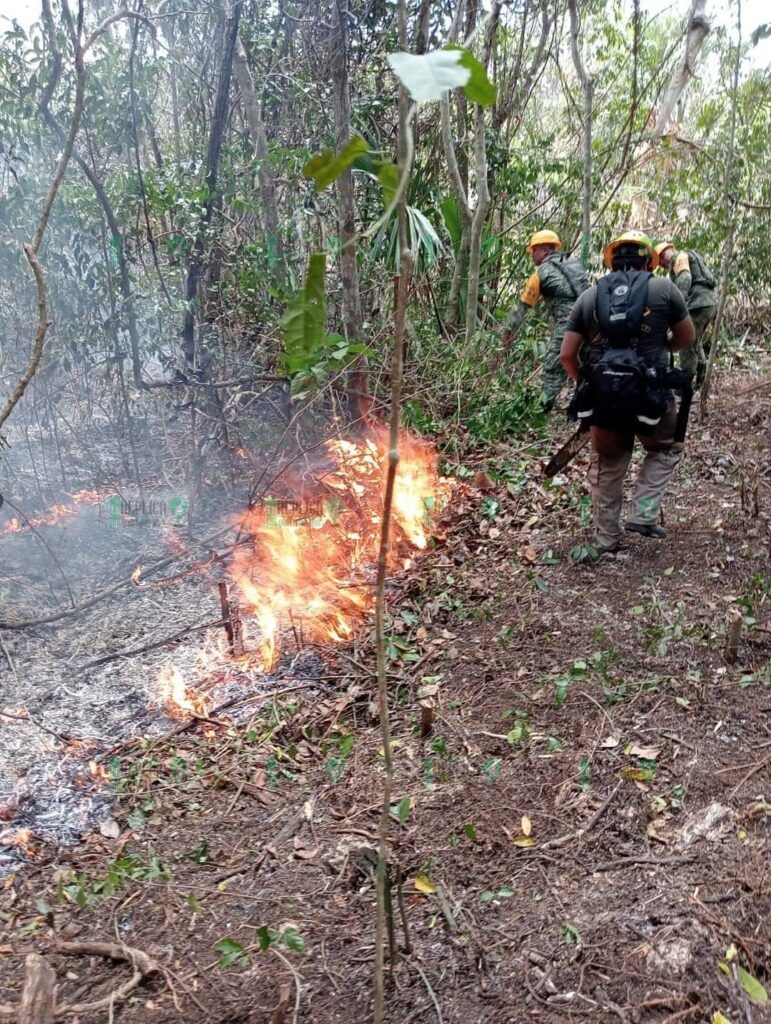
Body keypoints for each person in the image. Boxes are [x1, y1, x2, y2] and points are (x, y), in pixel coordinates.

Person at [560, 231, 695, 554]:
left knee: (608, 463)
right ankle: (643, 513)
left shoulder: (590, 296)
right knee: (664, 449)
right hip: (652, 396)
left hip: (605, 401)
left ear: (611, 262)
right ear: (648, 261)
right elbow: (686, 337)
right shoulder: (665, 288)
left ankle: (607, 540)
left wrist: (588, 384)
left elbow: (567, 354)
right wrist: (659, 347)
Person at [501, 230, 589, 410]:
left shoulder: (540, 273)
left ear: (546, 250)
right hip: (593, 322)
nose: (532, 254)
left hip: (569, 324)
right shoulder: (575, 265)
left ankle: (541, 410)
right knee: (587, 364)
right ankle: (589, 405)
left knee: (553, 366)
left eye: (534, 250)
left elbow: (523, 307)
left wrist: (507, 330)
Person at [655, 242, 717, 387]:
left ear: (670, 250)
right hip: (708, 303)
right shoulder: (685, 258)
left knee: (686, 343)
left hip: (698, 304)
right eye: (660, 261)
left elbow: (685, 279)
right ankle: (701, 379)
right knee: (695, 340)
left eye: (663, 256)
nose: (663, 262)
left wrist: (676, 308)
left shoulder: (679, 257)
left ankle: (685, 385)